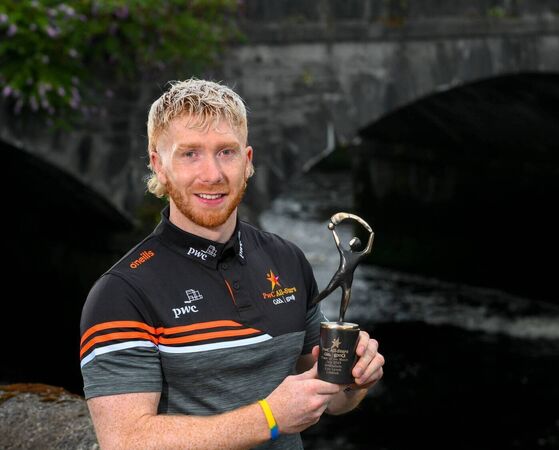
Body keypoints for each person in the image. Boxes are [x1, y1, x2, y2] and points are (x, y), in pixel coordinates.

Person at [79, 79, 385, 449]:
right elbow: (124, 440)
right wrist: (269, 418)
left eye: (226, 152)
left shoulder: (287, 259)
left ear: (247, 160)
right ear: (159, 165)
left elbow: (331, 398)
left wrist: (355, 379)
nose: (212, 174)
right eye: (190, 154)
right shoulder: (122, 293)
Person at [311, 212, 375, 323]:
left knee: (344, 298)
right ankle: (312, 304)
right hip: (340, 276)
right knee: (329, 291)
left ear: (353, 244)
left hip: (346, 279)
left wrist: (371, 234)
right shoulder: (347, 253)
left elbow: (367, 249)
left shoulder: (354, 255)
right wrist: (333, 230)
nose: (351, 240)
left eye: (353, 240)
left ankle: (341, 320)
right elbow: (338, 242)